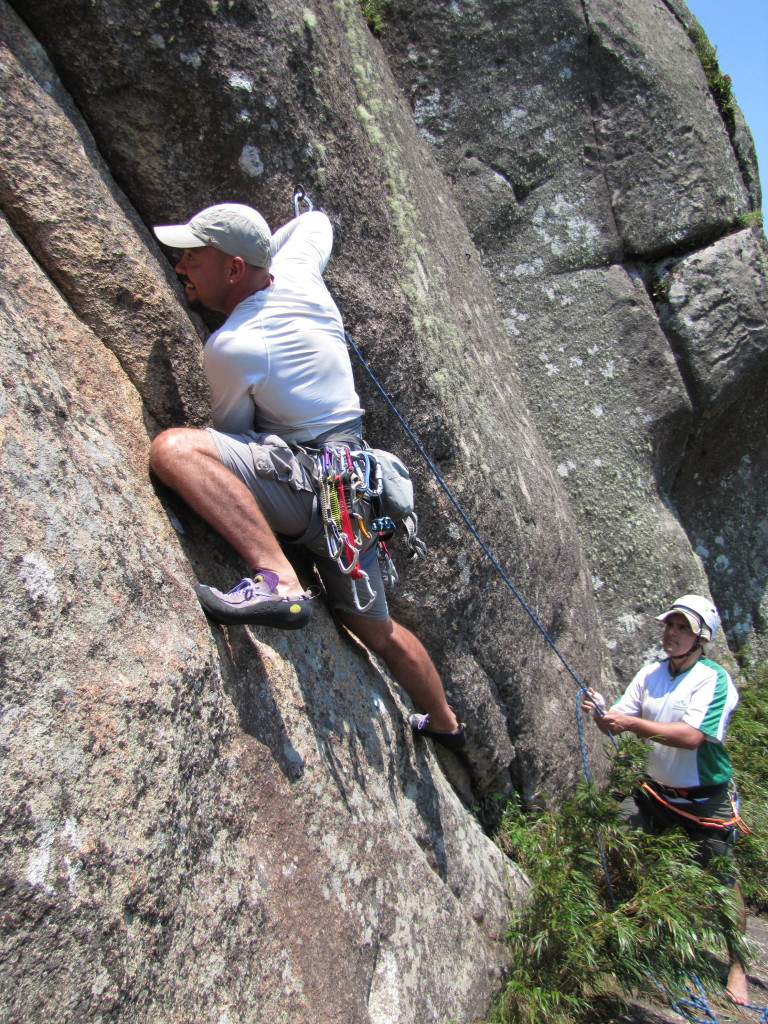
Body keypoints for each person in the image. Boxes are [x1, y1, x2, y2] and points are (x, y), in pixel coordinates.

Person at [150, 201, 465, 751]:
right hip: (354, 502)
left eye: (193, 258)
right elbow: (315, 220)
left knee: (176, 450)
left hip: (310, 491)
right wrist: (260, 255)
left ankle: (279, 582)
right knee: (378, 631)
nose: (180, 267)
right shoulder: (297, 270)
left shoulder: (234, 345)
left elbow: (233, 440)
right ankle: (445, 723)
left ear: (233, 268)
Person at [583, 594, 749, 1005]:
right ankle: (623, 930)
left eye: (682, 628)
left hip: (703, 800)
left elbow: (691, 737)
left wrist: (630, 722)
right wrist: (603, 715)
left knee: (722, 881)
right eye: (669, 625)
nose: (671, 633)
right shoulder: (650, 673)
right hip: (654, 793)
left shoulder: (713, 680)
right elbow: (616, 724)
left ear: (701, 638)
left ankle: (737, 965)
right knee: (614, 841)